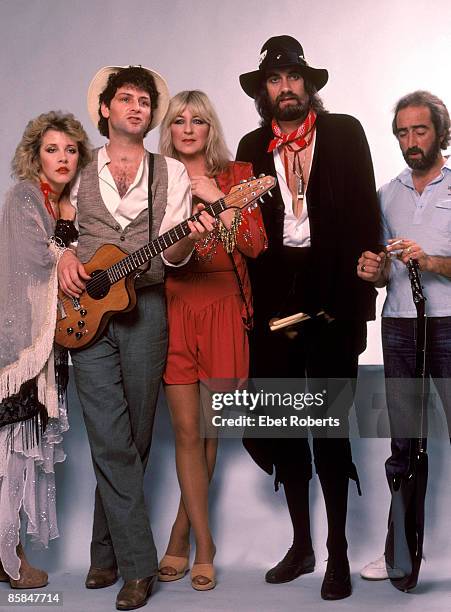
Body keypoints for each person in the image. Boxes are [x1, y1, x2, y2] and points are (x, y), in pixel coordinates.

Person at [57, 67, 213, 611]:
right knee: (109, 436)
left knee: (137, 436)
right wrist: (60, 261)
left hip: (145, 309)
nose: (136, 108)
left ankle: (103, 554)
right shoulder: (74, 165)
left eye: (145, 102)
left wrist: (186, 243)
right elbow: (52, 225)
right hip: (82, 314)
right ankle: (138, 569)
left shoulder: (169, 171)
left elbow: (172, 257)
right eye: (125, 99)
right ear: (104, 109)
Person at [236, 35, 380, 600]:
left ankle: (338, 554)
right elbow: (246, 232)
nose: (286, 87)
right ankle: (301, 546)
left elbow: (366, 215)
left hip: (332, 299)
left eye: (295, 76)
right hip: (273, 304)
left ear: (310, 84)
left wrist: (358, 307)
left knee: (330, 427)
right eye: (275, 79)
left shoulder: (343, 133)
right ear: (264, 91)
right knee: (282, 423)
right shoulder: (251, 144)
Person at [157, 90, 267, 591]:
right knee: (186, 432)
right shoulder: (158, 180)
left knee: (209, 432)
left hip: (223, 307)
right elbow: (153, 254)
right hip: (176, 307)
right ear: (170, 130)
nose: (187, 127)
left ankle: (181, 535)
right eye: (178, 120)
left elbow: (256, 245)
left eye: (197, 120)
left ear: (209, 129)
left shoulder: (240, 174)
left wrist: (216, 198)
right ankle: (206, 545)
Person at [358, 90, 451, 582]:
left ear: (440, 132)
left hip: (449, 324)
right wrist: (372, 268)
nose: (410, 141)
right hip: (400, 326)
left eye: (420, 130)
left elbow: (429, 262)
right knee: (404, 444)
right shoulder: (387, 193)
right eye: (402, 132)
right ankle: (401, 555)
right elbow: (381, 271)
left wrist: (431, 260)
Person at [0, 111, 90, 588]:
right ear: (35, 155)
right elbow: (40, 262)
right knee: (12, 450)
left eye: (71, 150)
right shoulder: (24, 198)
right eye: (52, 149)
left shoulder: (61, 204)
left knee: (23, 448)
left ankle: (6, 552)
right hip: (19, 350)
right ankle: (9, 559)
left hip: (49, 347)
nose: (62, 158)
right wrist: (70, 229)